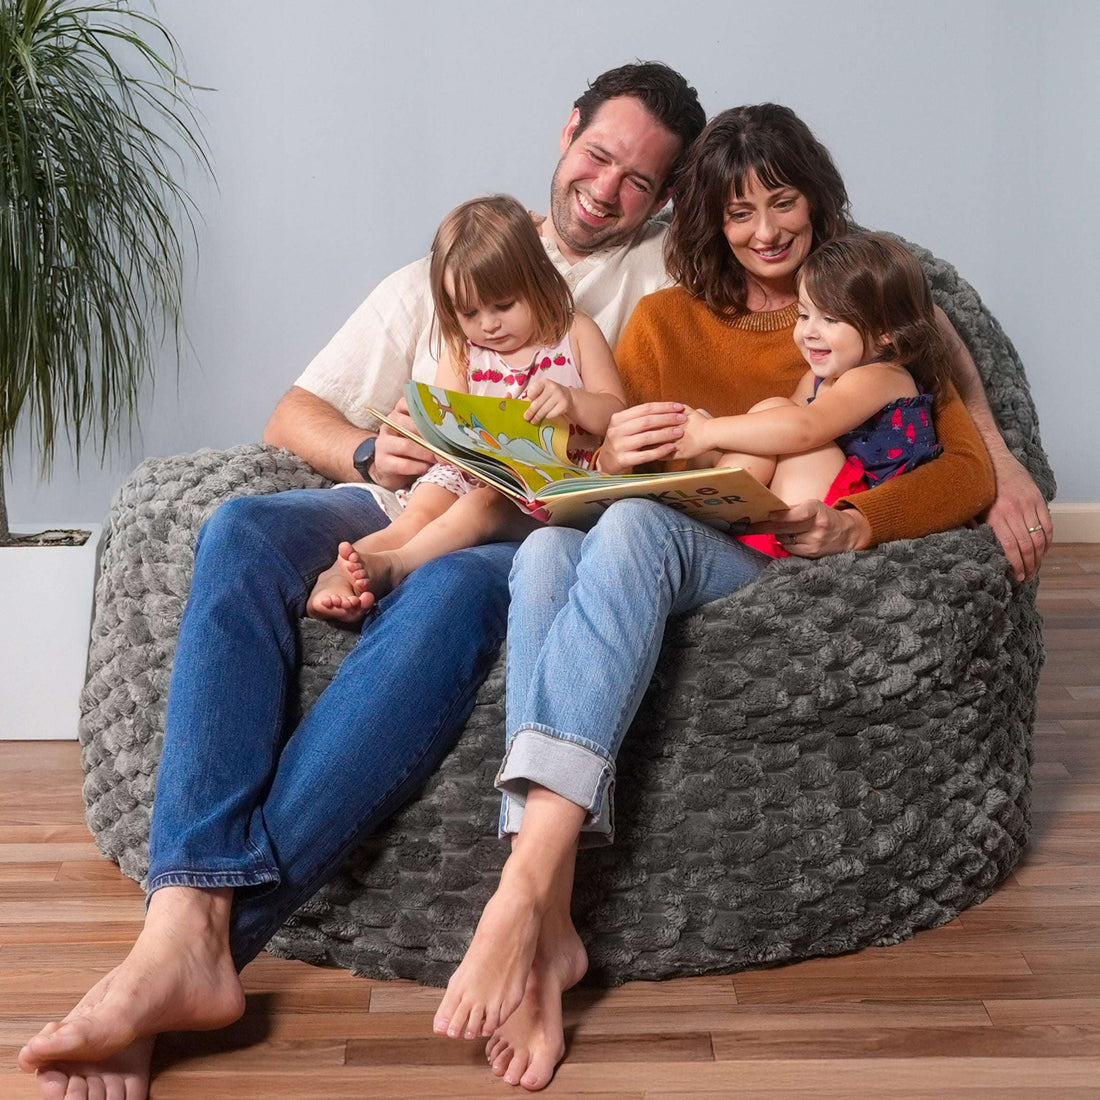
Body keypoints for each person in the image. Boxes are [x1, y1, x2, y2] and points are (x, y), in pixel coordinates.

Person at [17, 62, 706, 1100]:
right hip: (411, 494)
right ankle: (183, 931)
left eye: (638, 182)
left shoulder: (667, 279)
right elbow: (294, 412)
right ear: (565, 132)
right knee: (244, 526)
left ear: (667, 195)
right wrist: (365, 456)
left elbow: (864, 290)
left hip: (516, 531)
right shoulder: (458, 259)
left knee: (442, 597)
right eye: (598, 156)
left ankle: (193, 945)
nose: (607, 190)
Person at [430, 105, 1001, 1091]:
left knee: (633, 530)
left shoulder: (853, 312)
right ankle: (551, 926)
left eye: (784, 202)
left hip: (748, 553)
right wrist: (616, 441)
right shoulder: (662, 320)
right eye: (740, 211)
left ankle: (518, 886)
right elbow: (610, 460)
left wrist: (861, 523)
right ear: (708, 220)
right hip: (657, 531)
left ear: (816, 202)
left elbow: (963, 469)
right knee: (542, 559)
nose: (766, 229)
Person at [308, 194, 626, 618]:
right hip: (477, 472)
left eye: (503, 306)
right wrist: (423, 421)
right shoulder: (464, 348)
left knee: (481, 507)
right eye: (469, 312)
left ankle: (395, 567)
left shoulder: (576, 332)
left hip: (545, 491)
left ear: (539, 280)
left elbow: (616, 413)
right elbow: (448, 423)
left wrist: (572, 400)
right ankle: (337, 574)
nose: (488, 324)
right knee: (418, 512)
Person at [673, 231, 955, 558]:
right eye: (804, 315)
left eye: (831, 319)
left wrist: (709, 432)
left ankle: (718, 517)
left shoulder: (884, 376)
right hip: (818, 499)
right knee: (771, 416)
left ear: (886, 332)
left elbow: (805, 428)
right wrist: (715, 439)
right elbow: (776, 428)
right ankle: (712, 502)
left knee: (790, 429)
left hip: (853, 516)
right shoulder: (819, 377)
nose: (808, 332)